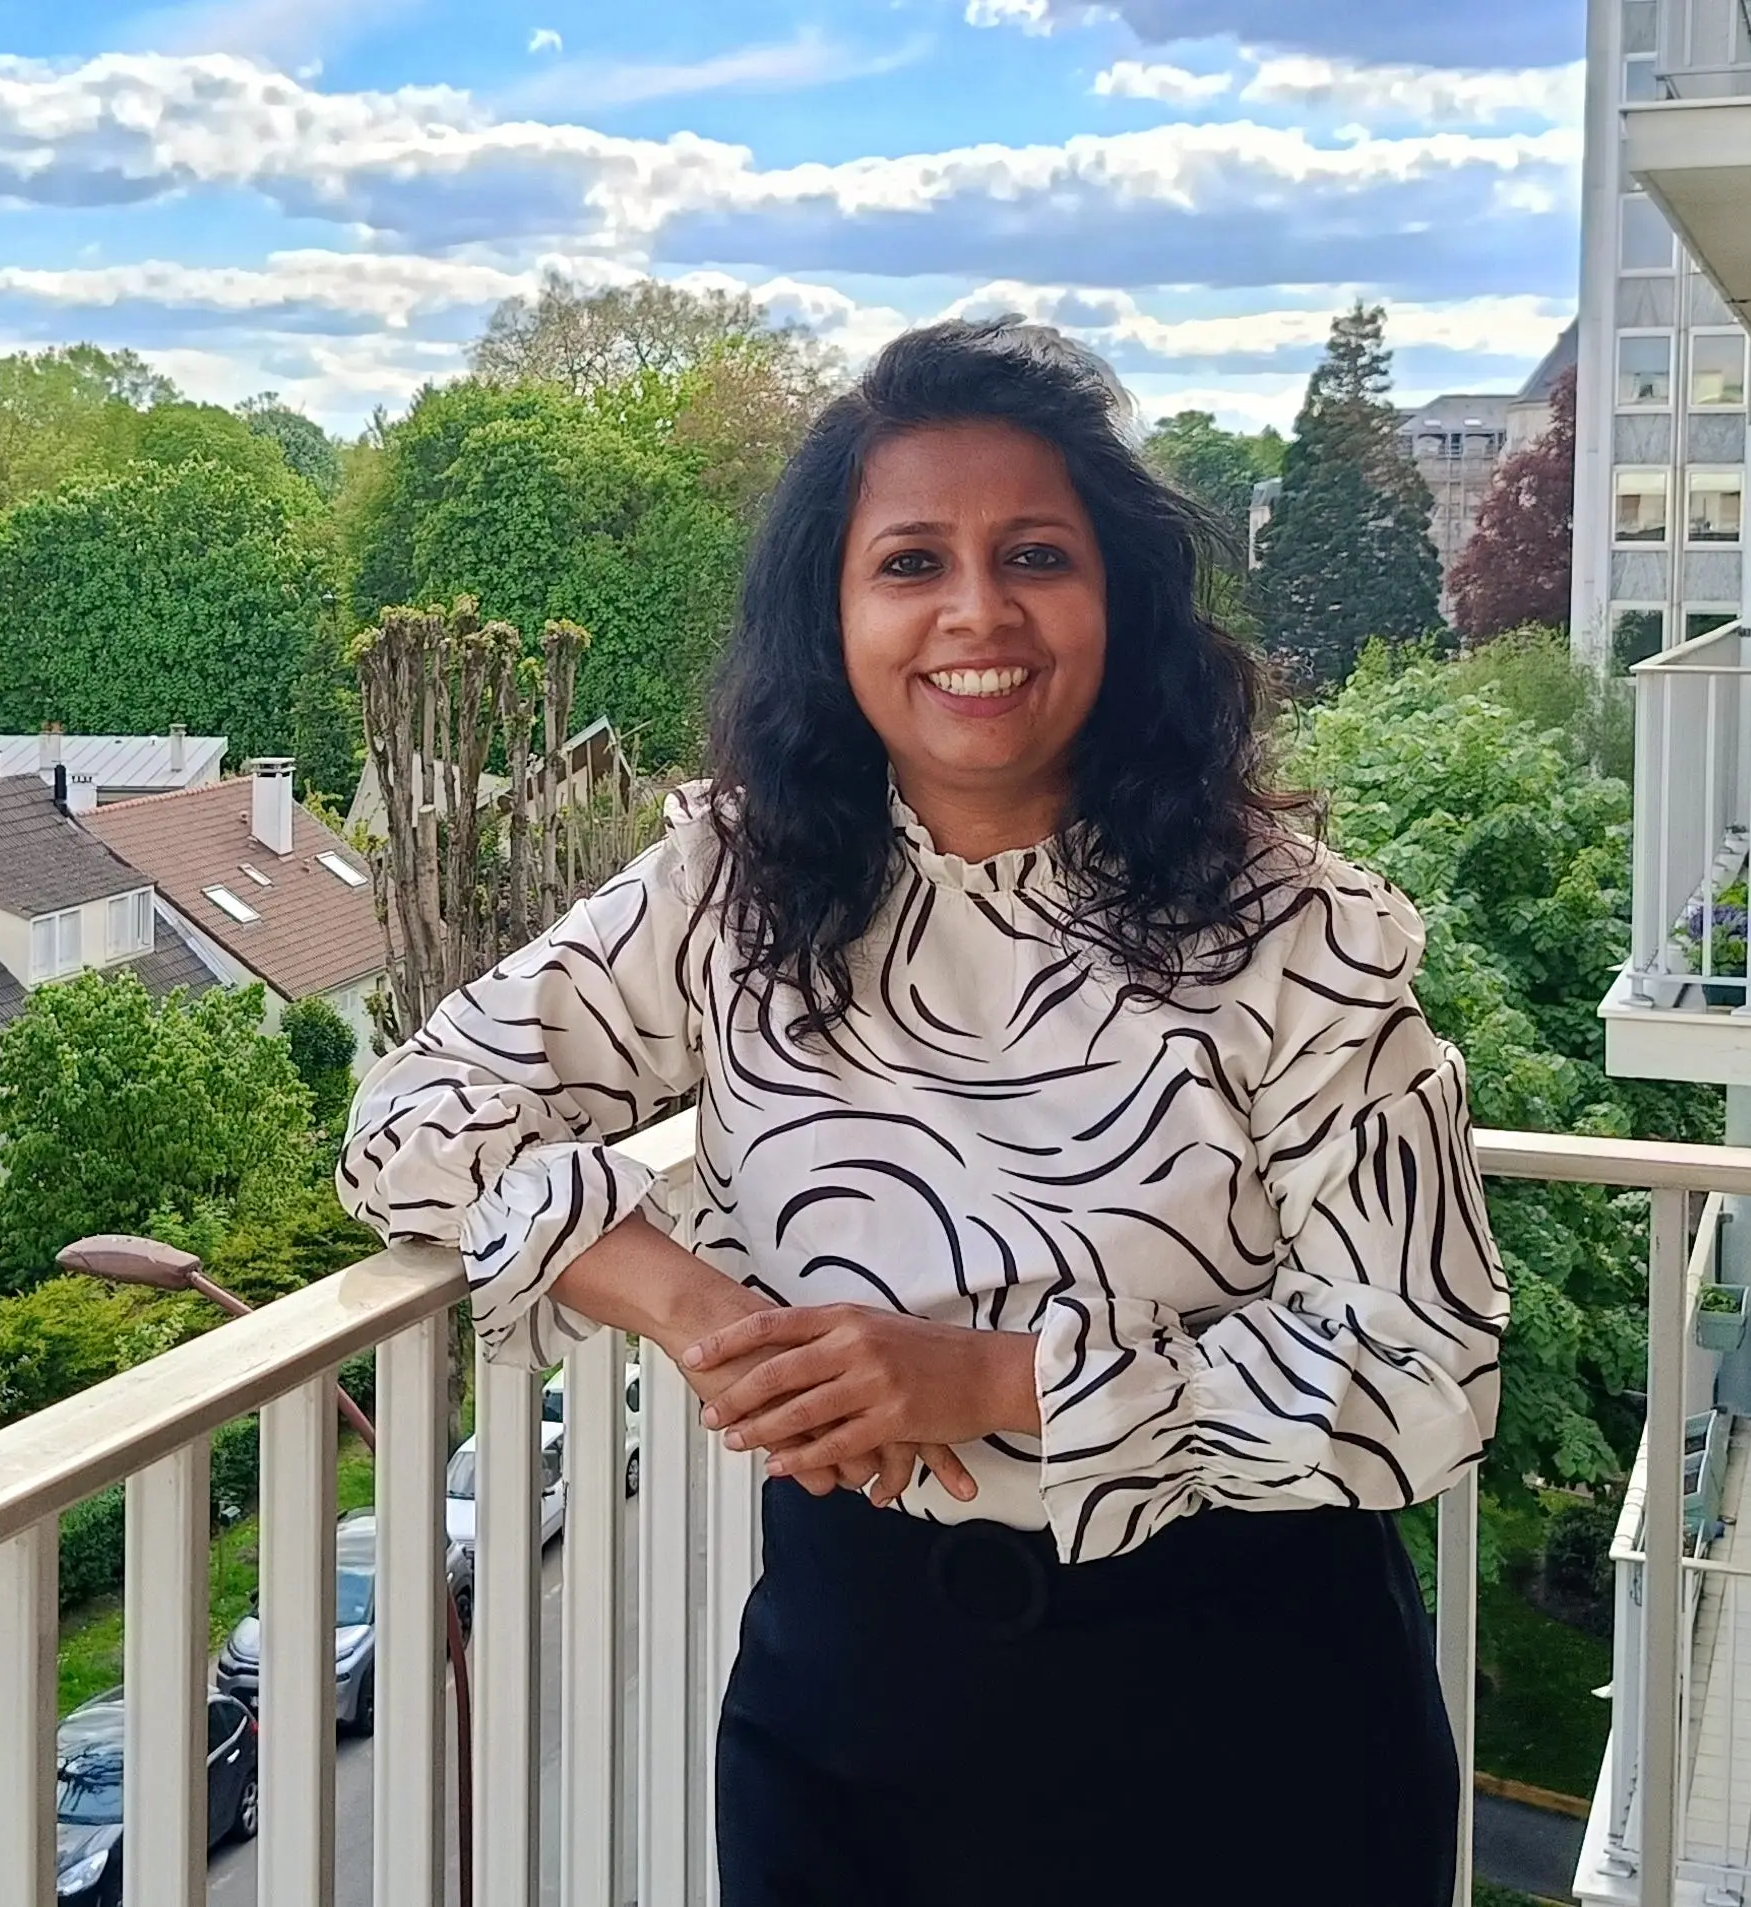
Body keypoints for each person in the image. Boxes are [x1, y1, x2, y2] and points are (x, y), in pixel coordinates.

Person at [337, 318, 1503, 1907]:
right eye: (910, 561)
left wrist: (993, 1379)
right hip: (855, 1718)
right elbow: (416, 1108)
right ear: (834, 612)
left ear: (1123, 601)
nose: (976, 611)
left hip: (1246, 1724)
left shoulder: (1291, 934)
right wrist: (702, 1312)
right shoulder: (730, 890)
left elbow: (1423, 1363)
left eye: (1035, 552)